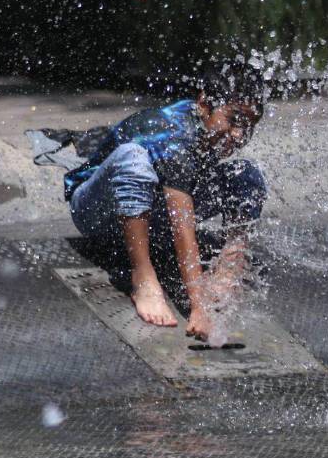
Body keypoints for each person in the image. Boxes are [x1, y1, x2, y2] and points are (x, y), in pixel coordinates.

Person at [63, 63, 267, 341]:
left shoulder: (206, 128)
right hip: (98, 212)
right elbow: (182, 225)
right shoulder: (174, 134)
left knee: (246, 174)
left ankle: (232, 262)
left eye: (248, 126)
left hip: (150, 212)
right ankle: (143, 277)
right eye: (233, 120)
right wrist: (199, 307)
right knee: (133, 159)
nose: (239, 135)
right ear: (205, 103)